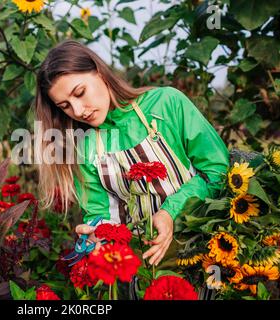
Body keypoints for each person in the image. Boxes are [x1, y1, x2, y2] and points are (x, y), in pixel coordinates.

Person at [34, 40, 229, 273]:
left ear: (99, 72)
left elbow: (217, 172)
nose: (77, 111)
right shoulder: (85, 148)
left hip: (207, 251)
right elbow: (102, 215)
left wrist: (169, 212)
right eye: (65, 105)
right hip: (145, 267)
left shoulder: (166, 104)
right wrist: (98, 235)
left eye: (80, 92)